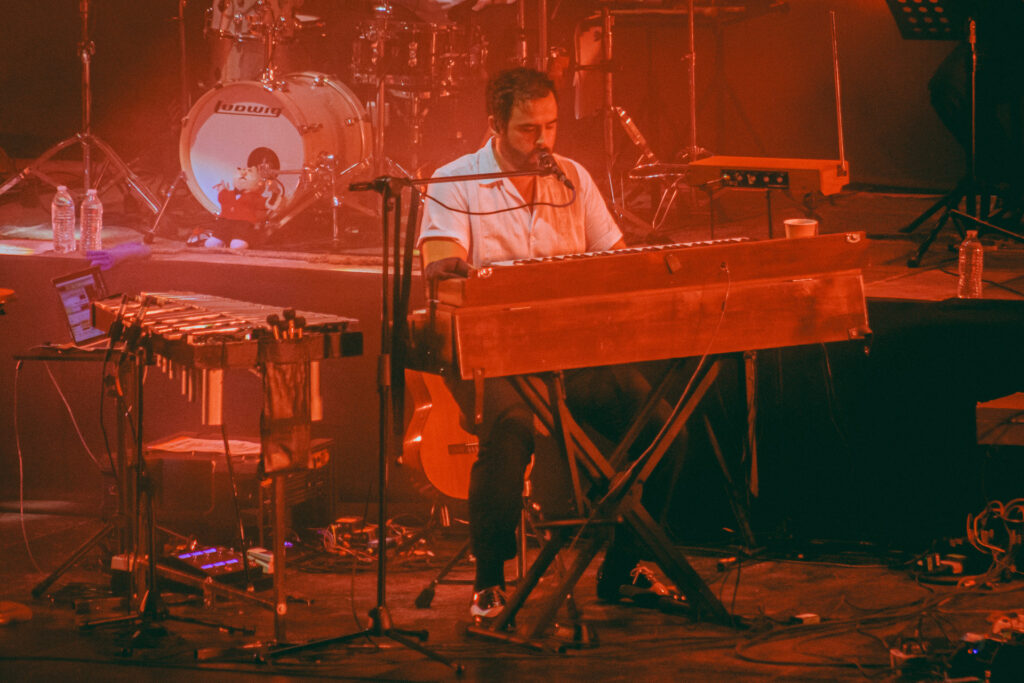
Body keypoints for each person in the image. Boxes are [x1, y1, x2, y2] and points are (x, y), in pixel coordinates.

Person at [418, 67, 672, 621]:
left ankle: (624, 565)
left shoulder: (572, 177)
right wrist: (465, 272)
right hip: (486, 352)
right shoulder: (454, 180)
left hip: (565, 349)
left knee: (660, 424)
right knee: (510, 429)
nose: (543, 140)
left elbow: (614, 258)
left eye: (551, 126)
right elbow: (438, 263)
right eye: (529, 129)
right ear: (496, 124)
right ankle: (489, 581)